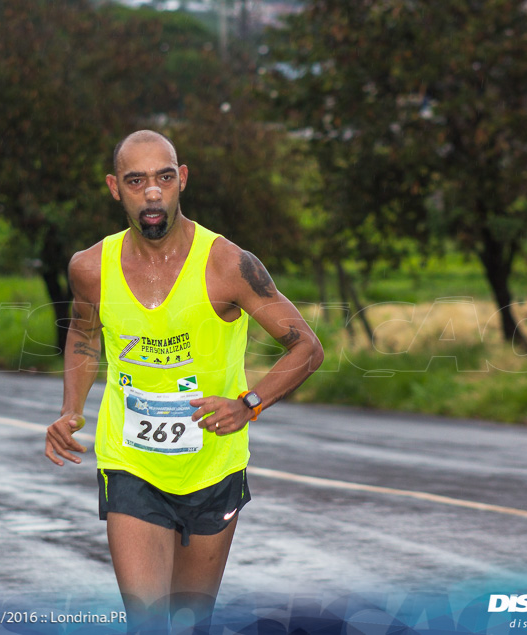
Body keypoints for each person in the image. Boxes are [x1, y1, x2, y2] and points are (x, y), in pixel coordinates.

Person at [45, 130, 324, 633]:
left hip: (213, 468)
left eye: (163, 178)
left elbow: (307, 346)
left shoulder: (227, 265)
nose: (152, 192)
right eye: (136, 181)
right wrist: (71, 410)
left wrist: (249, 403)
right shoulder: (90, 269)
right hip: (130, 464)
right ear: (115, 188)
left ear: (182, 181)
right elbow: (84, 336)